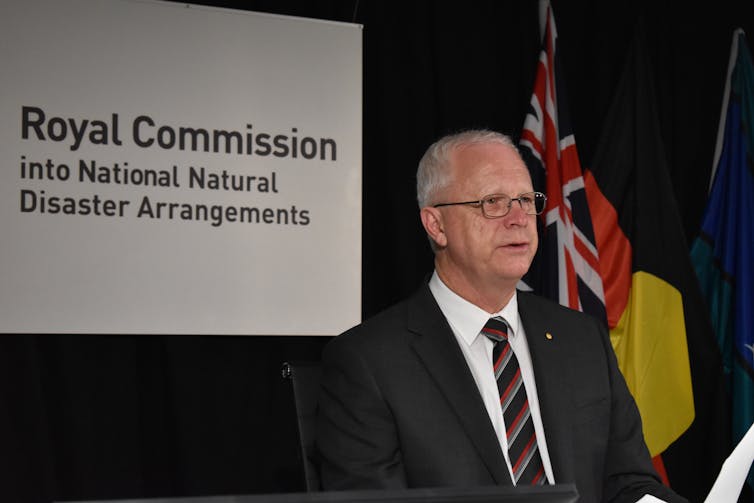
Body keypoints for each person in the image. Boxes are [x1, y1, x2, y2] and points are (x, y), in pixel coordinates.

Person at [315, 129, 687, 503]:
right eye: (493, 202)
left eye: (526, 199)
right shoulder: (368, 363)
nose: (519, 218)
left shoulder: (582, 339)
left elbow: (629, 483)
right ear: (436, 225)